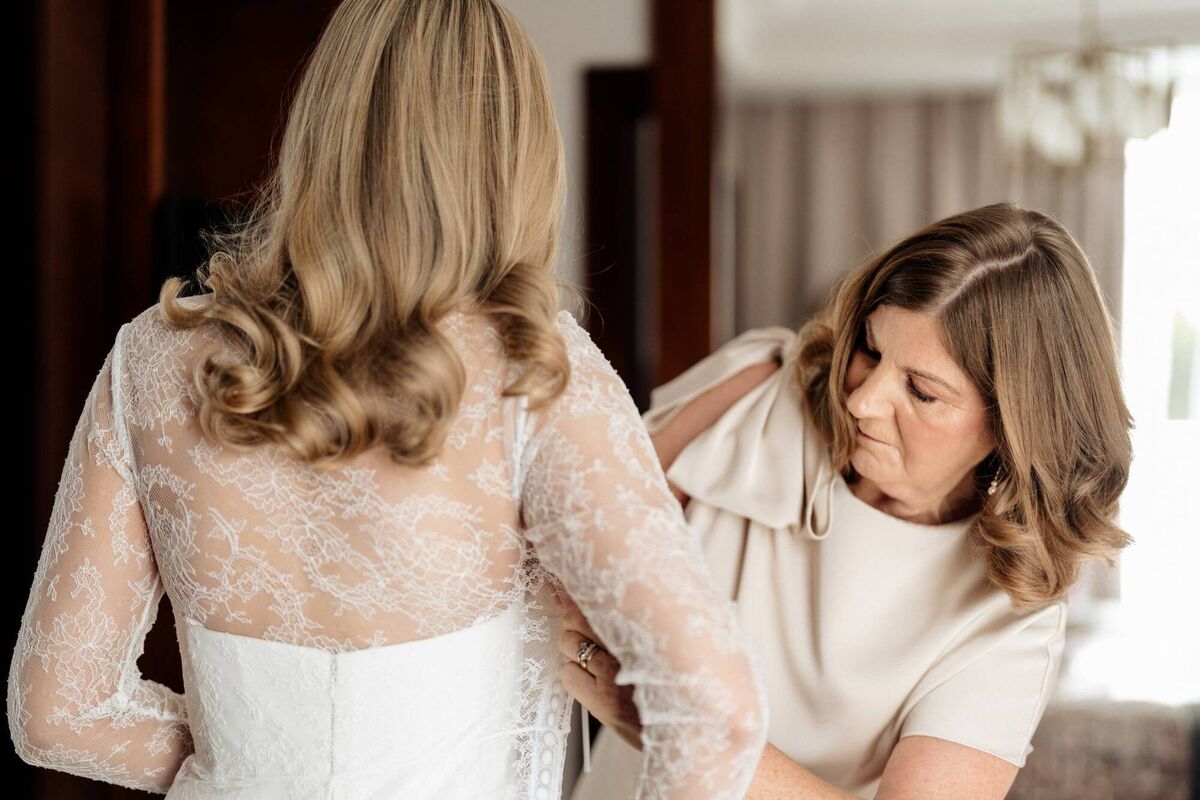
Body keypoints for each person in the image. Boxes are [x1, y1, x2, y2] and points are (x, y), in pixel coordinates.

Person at [6, 1, 768, 797]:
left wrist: (248, 763)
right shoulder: (531, 369)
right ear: (518, 155)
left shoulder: (150, 359)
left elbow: (59, 713)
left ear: (323, 124)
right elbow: (717, 713)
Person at [567, 202, 1134, 799]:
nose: (863, 400)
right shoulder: (761, 395)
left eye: (921, 391)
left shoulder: (1009, 616)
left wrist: (683, 729)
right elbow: (566, 540)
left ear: (1012, 426)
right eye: (870, 349)